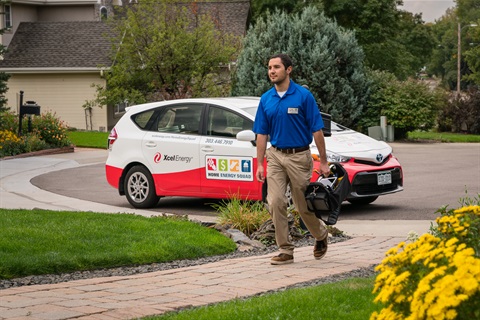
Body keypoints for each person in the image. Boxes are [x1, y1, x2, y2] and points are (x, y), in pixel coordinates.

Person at [253, 53, 330, 265]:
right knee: (275, 201)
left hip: (299, 157)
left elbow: (317, 130)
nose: (272, 71)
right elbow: (261, 133)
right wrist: (260, 163)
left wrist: (323, 161)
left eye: (276, 67)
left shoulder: (303, 96)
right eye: (269, 67)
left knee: (302, 205)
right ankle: (285, 249)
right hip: (275, 155)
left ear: (288, 70)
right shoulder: (266, 99)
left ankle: (321, 235)